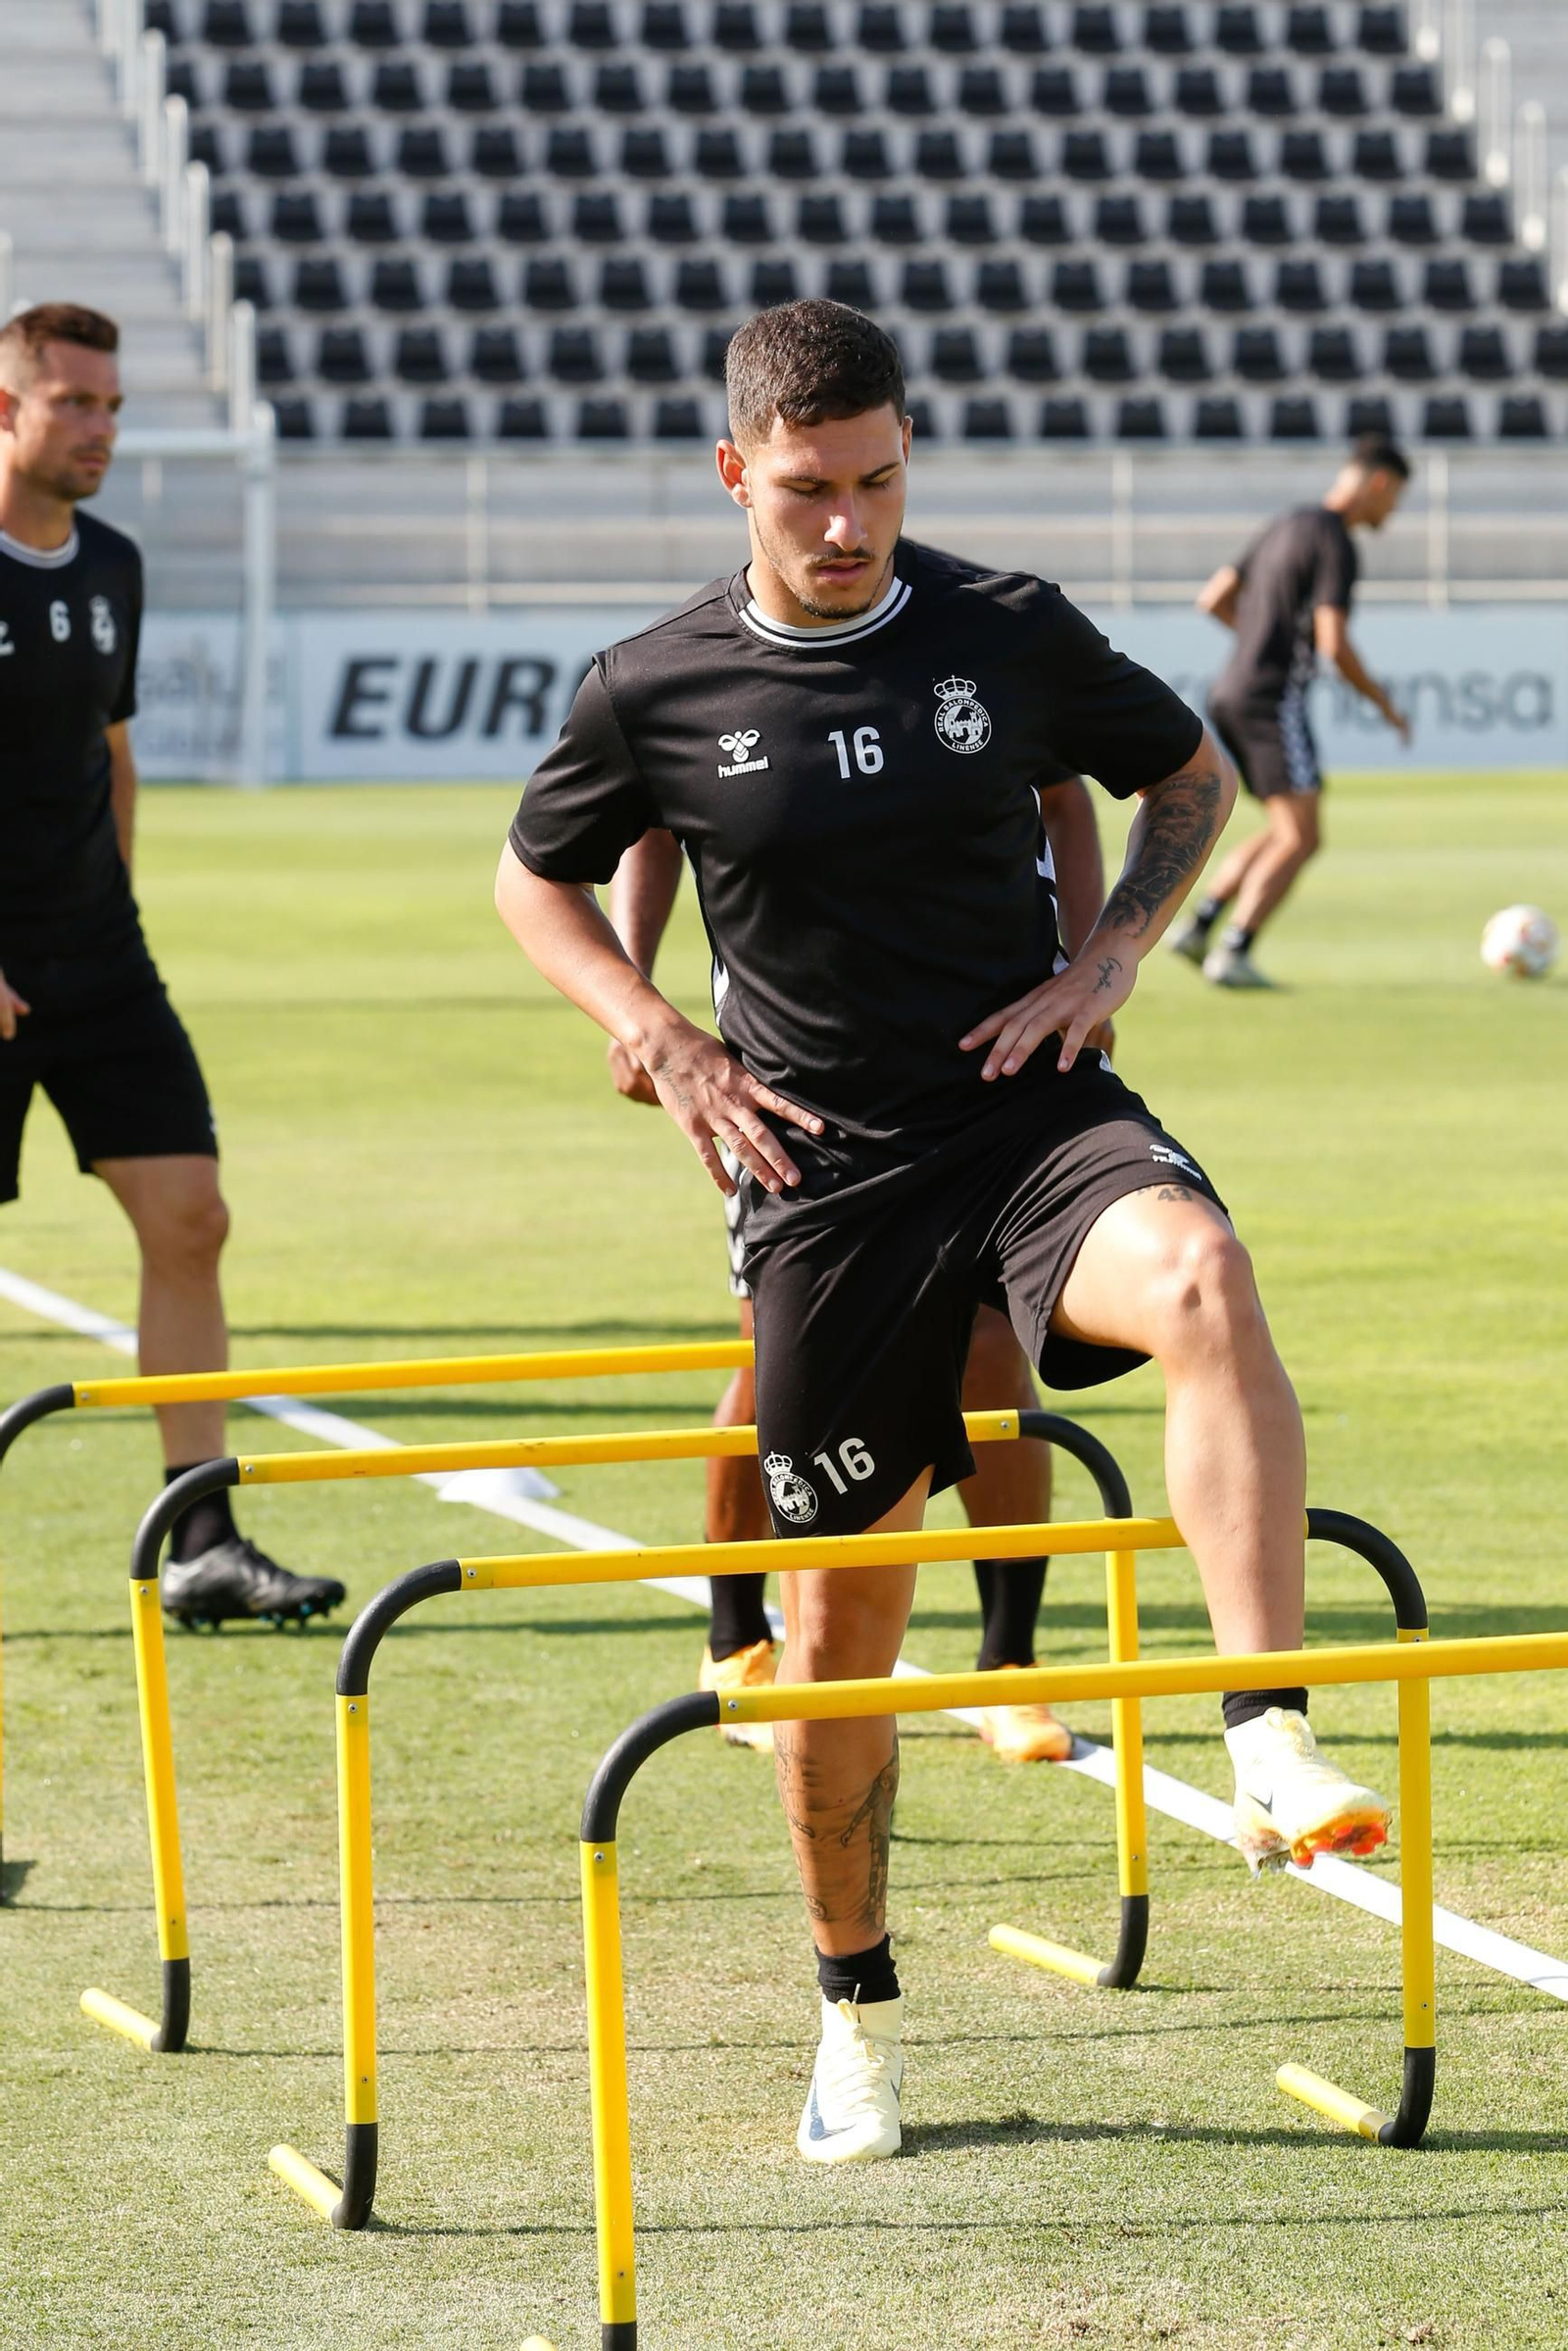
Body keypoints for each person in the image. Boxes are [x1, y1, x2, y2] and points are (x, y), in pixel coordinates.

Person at [497, 300, 1388, 2167]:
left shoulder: (1006, 626)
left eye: (881, 481)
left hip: (1029, 1109)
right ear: (737, 473)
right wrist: (648, 1025)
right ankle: (855, 2015)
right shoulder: (652, 679)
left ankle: (1267, 1731)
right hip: (825, 1178)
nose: (849, 523)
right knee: (841, 1649)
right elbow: (540, 871)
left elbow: (1187, 773)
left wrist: (1113, 952)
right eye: (811, 490)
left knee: (1210, 1278)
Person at [607, 776, 1112, 1768]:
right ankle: (737, 1641)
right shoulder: (726, 643)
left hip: (984, 1067)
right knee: (778, 1363)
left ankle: (1009, 1663)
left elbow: (1065, 792)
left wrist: (1086, 967)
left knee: (989, 1356)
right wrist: (633, 1000)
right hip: (794, 1082)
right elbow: (651, 812)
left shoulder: (1002, 624)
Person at [0, 303, 343, 1631]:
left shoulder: (115, 564)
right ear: (10, 410)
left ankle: (200, 1539)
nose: (99, 427)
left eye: (112, 406)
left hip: (98, 965)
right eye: (74, 402)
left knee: (192, 1219)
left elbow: (114, 751)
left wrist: (109, 920)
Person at [1170, 435, 1412, 990]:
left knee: (1283, 828)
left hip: (1232, 690)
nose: (1392, 511)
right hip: (1270, 699)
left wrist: (1258, 641)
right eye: (1394, 497)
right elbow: (1333, 643)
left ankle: (1200, 926)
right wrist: (1383, 705)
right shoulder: (1335, 542)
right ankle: (1235, 949)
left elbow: (1215, 597)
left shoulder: (1287, 524)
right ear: (1377, 482)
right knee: (1304, 838)